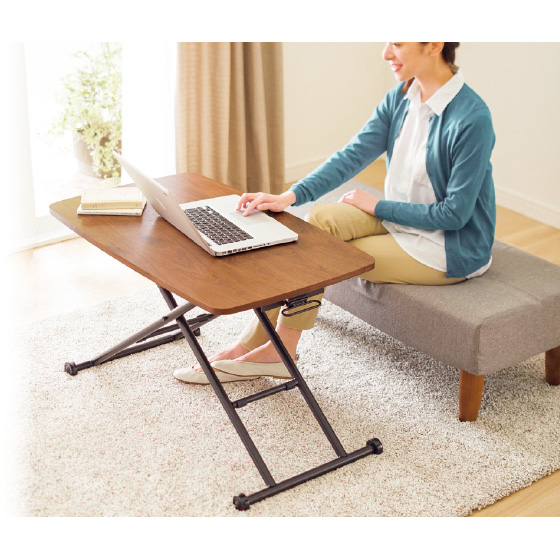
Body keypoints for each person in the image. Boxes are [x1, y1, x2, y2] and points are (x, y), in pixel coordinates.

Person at [174, 42, 496, 384]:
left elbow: (454, 215)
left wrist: (377, 206)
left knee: (319, 253)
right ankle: (250, 344)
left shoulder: (471, 117)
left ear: (434, 44)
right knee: (319, 220)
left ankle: (280, 351)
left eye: (398, 43)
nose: (386, 53)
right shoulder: (402, 97)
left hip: (447, 245)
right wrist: (289, 196)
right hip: (401, 221)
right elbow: (352, 155)